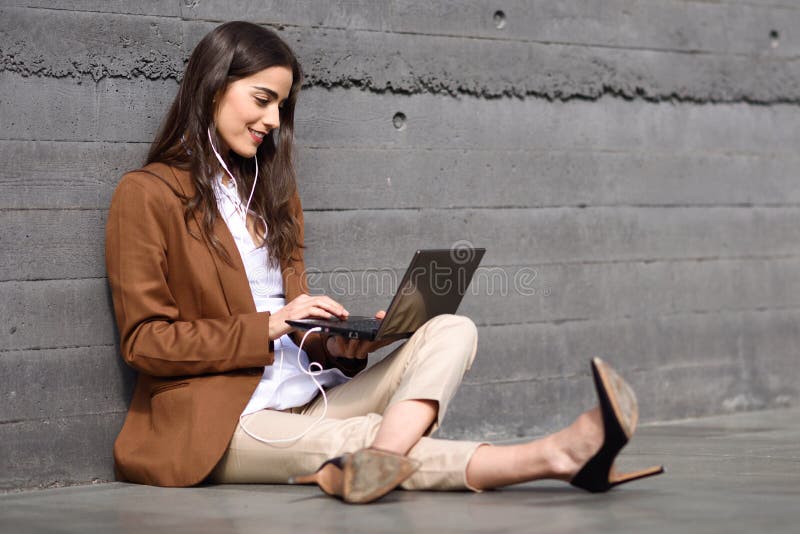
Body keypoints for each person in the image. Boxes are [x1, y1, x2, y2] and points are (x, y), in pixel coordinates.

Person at [105, 21, 663, 503]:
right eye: (262, 99)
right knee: (368, 435)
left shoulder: (274, 195)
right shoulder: (148, 195)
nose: (274, 119)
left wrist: (334, 342)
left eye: (282, 105)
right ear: (212, 89)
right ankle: (556, 455)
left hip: (308, 395)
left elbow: (294, 330)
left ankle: (377, 464)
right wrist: (267, 325)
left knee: (451, 328)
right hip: (223, 425)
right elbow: (146, 342)